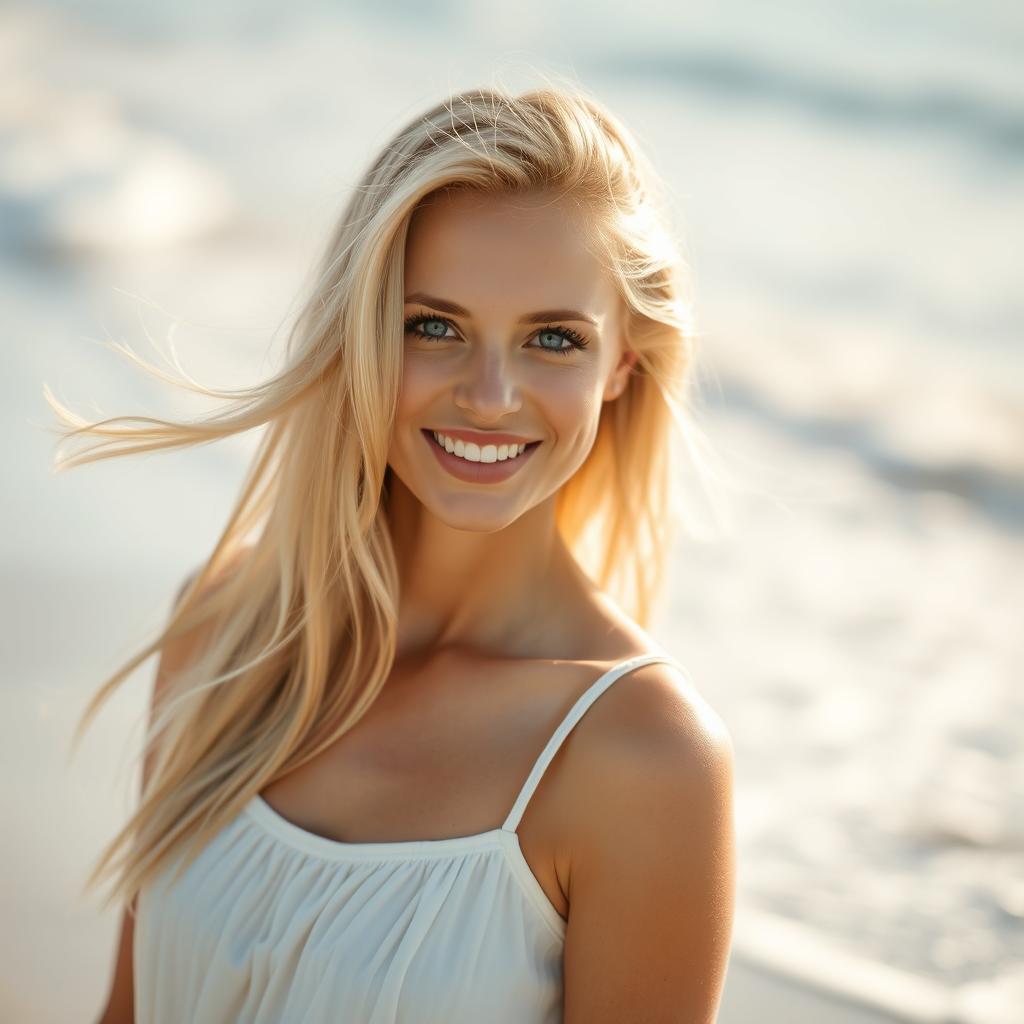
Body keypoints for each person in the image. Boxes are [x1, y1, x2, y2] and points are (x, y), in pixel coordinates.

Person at [54, 82, 736, 1024]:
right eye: (435, 326)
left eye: (553, 339)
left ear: (622, 364)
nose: (491, 396)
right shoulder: (224, 628)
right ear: (361, 328)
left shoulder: (642, 759)